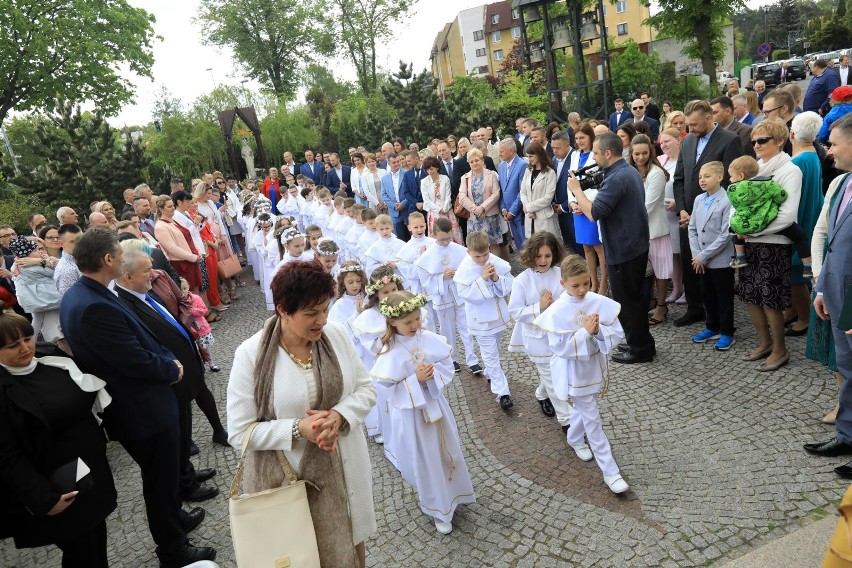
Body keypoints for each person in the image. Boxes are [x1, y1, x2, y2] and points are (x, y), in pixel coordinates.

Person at [59, 228, 216, 566]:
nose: (120, 257)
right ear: (108, 260)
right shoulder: (92, 304)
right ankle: (173, 550)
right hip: (141, 412)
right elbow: (131, 359)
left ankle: (177, 520)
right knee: (158, 482)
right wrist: (170, 368)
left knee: (164, 475)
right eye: (118, 253)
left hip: (141, 407)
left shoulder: (87, 293)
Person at [227, 261, 377, 566]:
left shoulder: (336, 335)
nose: (321, 320)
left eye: (325, 309)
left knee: (350, 544)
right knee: (304, 554)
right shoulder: (250, 354)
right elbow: (240, 432)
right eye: (311, 313)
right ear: (282, 309)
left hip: (346, 471)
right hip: (290, 484)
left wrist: (339, 416)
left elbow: (366, 389)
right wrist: (297, 429)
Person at [0, 307, 117, 567]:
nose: (24, 348)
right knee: (81, 552)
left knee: (97, 539)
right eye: (12, 345)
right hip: (56, 487)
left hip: (90, 472)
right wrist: (43, 499)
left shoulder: (47, 354)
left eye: (27, 338)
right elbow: (6, 456)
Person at [114, 250, 219, 504]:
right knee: (178, 436)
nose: (154, 274)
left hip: (183, 372)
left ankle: (188, 474)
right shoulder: (126, 304)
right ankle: (185, 484)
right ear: (127, 276)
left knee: (184, 431)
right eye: (147, 271)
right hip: (171, 378)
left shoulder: (144, 294)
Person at [370, 291, 475, 534]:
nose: (415, 325)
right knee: (426, 459)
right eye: (408, 322)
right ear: (392, 322)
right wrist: (415, 381)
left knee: (448, 448)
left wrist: (431, 375)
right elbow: (385, 389)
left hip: (436, 404)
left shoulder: (426, 337)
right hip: (413, 415)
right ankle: (438, 509)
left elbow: (446, 365)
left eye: (417, 319)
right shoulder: (391, 351)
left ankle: (456, 493)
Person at [533, 254, 628, 494]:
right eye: (576, 285)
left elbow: (616, 332)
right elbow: (560, 348)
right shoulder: (557, 311)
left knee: (588, 409)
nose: (583, 289)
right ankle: (610, 471)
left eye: (587, 282)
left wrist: (597, 333)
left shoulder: (596, 300)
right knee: (593, 419)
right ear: (563, 284)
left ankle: (574, 437)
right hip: (574, 372)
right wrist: (585, 333)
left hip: (594, 367)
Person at [568, 132, 655, 364]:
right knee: (631, 299)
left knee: (628, 301)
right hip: (631, 245)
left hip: (624, 248)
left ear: (608, 153)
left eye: (596, 153)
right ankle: (641, 341)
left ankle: (640, 349)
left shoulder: (618, 178)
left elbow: (595, 212)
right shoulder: (625, 171)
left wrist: (576, 190)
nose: (594, 157)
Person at [804, 114, 852, 478]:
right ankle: (848, 435)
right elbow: (827, 235)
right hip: (835, 291)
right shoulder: (841, 184)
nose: (828, 151)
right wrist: (821, 287)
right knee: (847, 368)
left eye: (833, 143)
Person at [738, 120, 802, 371]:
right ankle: (765, 342)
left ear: (779, 141)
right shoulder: (757, 167)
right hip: (751, 242)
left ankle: (780, 349)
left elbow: (787, 216)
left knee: (771, 300)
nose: (756, 145)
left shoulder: (790, 170)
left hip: (774, 243)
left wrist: (750, 230)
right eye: (754, 141)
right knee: (751, 296)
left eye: (762, 140)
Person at [672, 100, 743, 328]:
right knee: (690, 262)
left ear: (708, 117)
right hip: (688, 217)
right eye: (688, 125)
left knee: (715, 271)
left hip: (716, 215)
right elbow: (680, 178)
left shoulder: (729, 140)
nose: (690, 129)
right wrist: (683, 209)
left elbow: (732, 182)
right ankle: (695, 309)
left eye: (693, 125)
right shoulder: (687, 142)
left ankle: (720, 320)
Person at [508, 231, 573, 431]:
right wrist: (539, 307)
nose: (543, 260)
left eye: (548, 255)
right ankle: (568, 422)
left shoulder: (560, 274)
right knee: (553, 378)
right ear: (530, 255)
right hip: (537, 338)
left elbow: (569, 299)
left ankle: (541, 394)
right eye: (538, 256)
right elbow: (515, 312)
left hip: (559, 334)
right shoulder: (521, 280)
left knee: (557, 372)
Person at [453, 231, 514, 409]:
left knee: (496, 350)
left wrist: (496, 278)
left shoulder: (495, 262)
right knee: (491, 356)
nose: (481, 260)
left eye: (485, 255)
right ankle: (503, 393)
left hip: (498, 318)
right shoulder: (464, 270)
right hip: (480, 320)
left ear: (489, 249)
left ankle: (490, 372)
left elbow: (509, 285)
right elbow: (466, 295)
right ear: (468, 252)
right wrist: (482, 279)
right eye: (477, 256)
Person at [415, 218, 480, 375]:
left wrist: (457, 273)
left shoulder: (459, 249)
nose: (445, 242)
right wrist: (441, 277)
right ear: (434, 234)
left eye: (448, 238)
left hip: (459, 293)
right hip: (442, 296)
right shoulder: (428, 255)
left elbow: (469, 269)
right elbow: (424, 278)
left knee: (466, 327)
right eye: (441, 239)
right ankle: (452, 358)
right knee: (447, 329)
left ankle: (473, 360)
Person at [687, 162, 737, 350]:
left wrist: (705, 256)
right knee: (706, 294)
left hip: (720, 258)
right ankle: (712, 325)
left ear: (719, 177)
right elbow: (692, 228)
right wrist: (697, 255)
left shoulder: (727, 200)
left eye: (707, 176)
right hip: (701, 258)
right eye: (700, 177)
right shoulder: (699, 199)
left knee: (723, 296)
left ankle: (726, 331)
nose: (702, 180)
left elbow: (726, 234)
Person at [629, 134, 672, 325]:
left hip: (655, 230)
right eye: (636, 154)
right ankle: (651, 300)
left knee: (661, 271)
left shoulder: (656, 173)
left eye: (644, 153)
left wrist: (625, 220)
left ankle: (662, 306)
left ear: (651, 152)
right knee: (645, 271)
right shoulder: (630, 171)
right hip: (638, 231)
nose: (640, 157)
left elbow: (648, 205)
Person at [566, 125, 607, 295]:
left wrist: (585, 204)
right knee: (586, 248)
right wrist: (572, 203)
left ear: (590, 137)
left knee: (599, 248)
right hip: (577, 207)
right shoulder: (575, 155)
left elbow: (599, 183)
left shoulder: (596, 155)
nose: (579, 141)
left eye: (582, 137)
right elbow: (570, 181)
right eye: (576, 138)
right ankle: (592, 283)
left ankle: (604, 285)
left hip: (591, 206)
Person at [459, 149, 504, 257]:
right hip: (474, 218)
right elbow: (462, 196)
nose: (474, 163)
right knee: (477, 247)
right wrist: (475, 209)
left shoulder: (491, 174)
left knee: (493, 245)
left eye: (476, 160)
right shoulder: (465, 177)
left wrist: (482, 208)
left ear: (482, 160)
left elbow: (496, 193)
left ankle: (497, 270)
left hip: (490, 216)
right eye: (471, 161)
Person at [659, 128, 685, 303]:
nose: (663, 145)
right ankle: (676, 288)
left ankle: (689, 290)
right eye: (661, 142)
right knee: (673, 255)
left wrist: (679, 203)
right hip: (664, 216)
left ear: (678, 140)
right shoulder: (662, 161)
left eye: (667, 141)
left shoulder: (685, 161)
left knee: (684, 254)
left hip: (678, 215)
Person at [520, 141, 559, 239]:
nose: (529, 159)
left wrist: (529, 207)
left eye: (531, 156)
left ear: (539, 154)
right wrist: (528, 209)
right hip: (530, 217)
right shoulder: (528, 171)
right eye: (527, 157)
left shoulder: (550, 173)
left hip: (544, 218)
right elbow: (523, 192)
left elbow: (548, 198)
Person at [420, 156, 461, 244]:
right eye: (427, 170)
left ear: (437, 168)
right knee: (437, 237)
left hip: (447, 210)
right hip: (434, 212)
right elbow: (426, 200)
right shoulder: (424, 181)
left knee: (452, 235)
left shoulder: (445, 178)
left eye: (431, 169)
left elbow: (448, 196)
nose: (429, 172)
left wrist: (445, 209)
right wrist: (438, 210)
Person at [498, 138, 528, 251]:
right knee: (520, 247)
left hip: (520, 213)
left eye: (502, 151)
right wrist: (503, 209)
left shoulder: (522, 165)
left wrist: (513, 211)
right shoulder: (501, 166)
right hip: (508, 213)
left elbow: (522, 191)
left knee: (527, 245)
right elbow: (501, 189)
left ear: (511, 151)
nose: (499, 154)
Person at [54, 224, 83, 295]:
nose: (79, 244)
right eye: (73, 242)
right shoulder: (66, 270)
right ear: (61, 243)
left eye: (81, 239)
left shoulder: (85, 258)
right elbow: (72, 301)